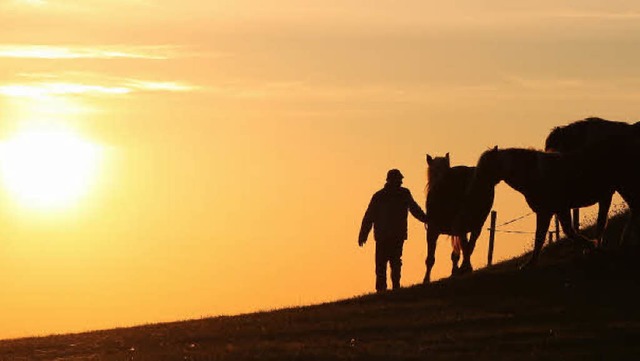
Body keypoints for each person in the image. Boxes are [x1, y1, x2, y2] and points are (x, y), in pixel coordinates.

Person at [358, 169, 428, 292]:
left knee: (391, 264)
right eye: (399, 180)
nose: (400, 182)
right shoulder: (384, 196)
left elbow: (414, 209)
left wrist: (426, 219)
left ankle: (392, 288)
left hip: (391, 236)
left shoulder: (393, 194)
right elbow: (369, 216)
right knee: (385, 265)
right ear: (392, 180)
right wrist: (363, 234)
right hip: (387, 236)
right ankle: (384, 290)